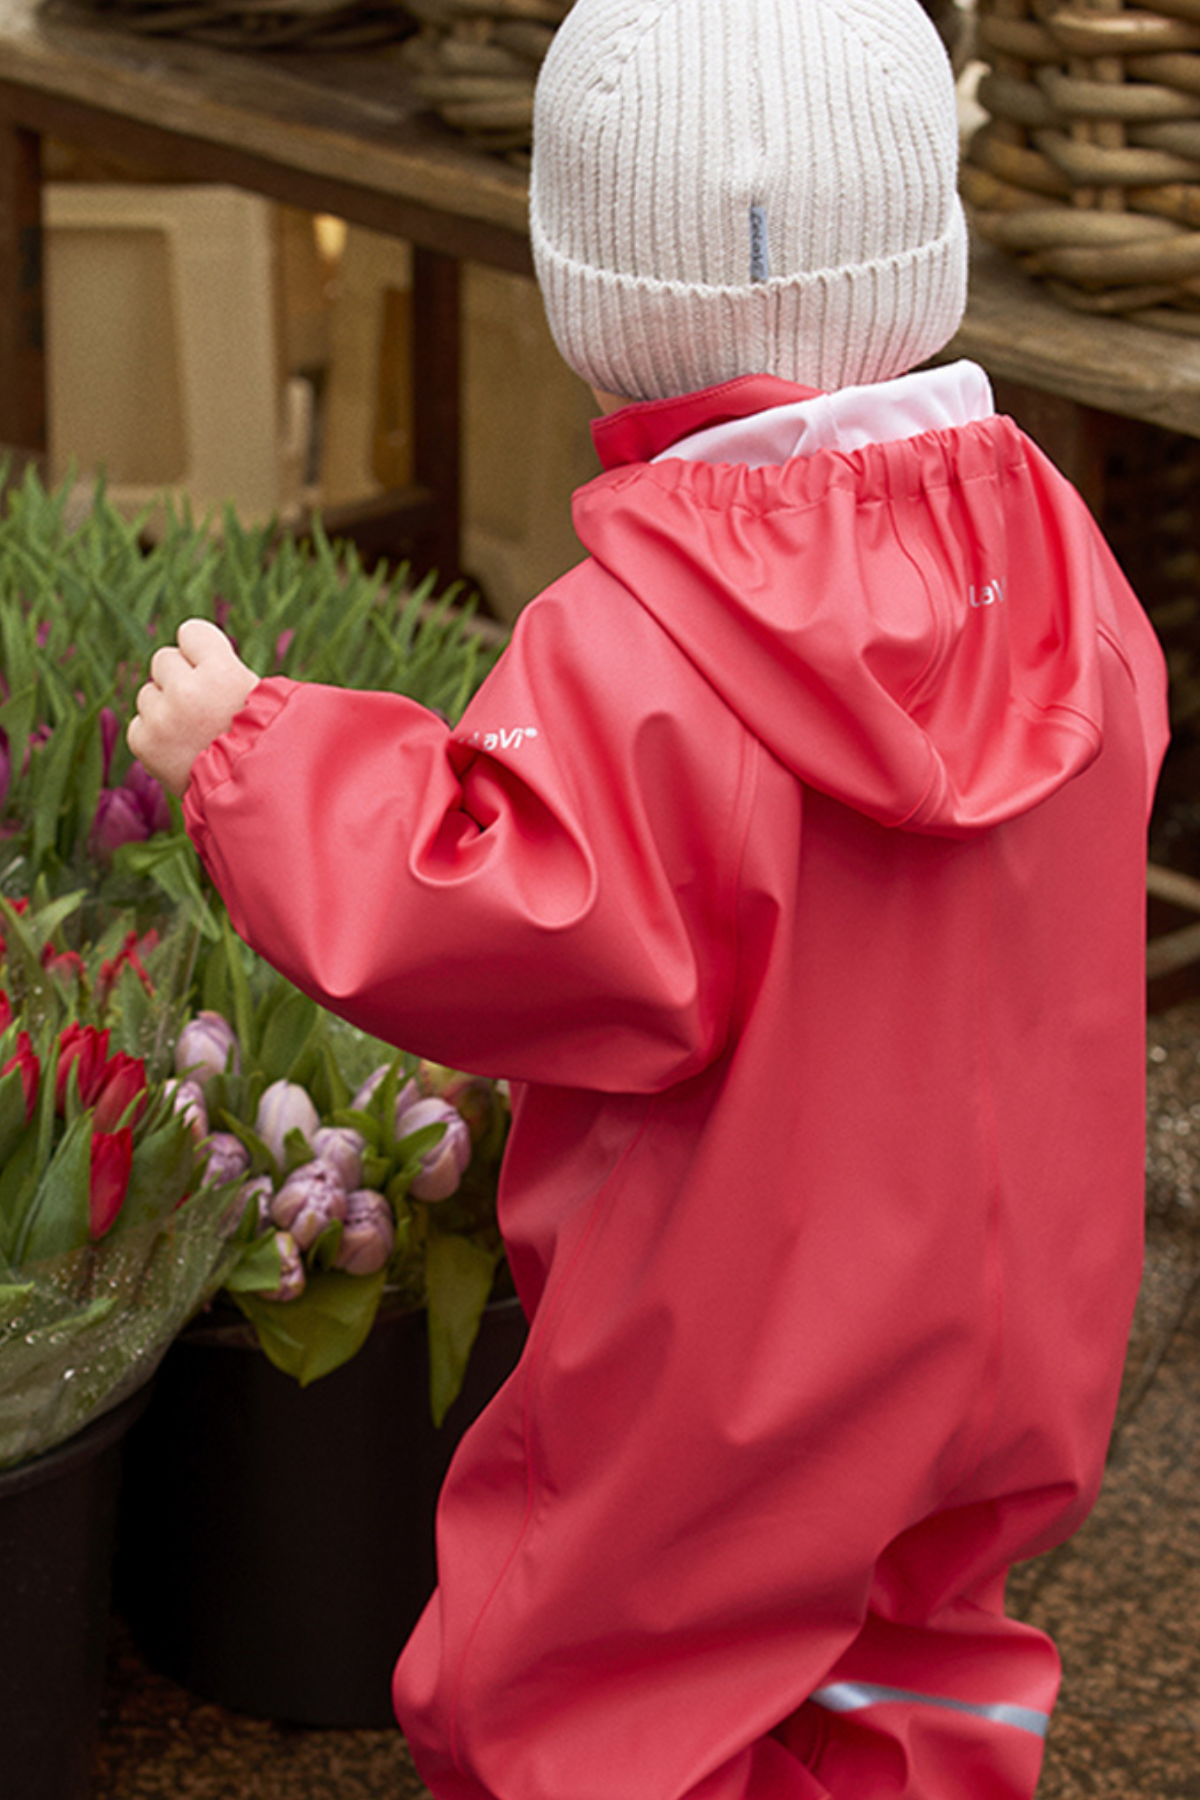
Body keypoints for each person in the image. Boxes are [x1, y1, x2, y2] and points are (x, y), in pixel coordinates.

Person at [129, 1, 1170, 1794]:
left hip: (742, 1346)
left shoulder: (638, 644)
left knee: (599, 1670)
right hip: (1017, 1318)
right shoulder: (1059, 565)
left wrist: (251, 756)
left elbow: (511, 904)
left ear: (597, 299)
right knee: (924, 1644)